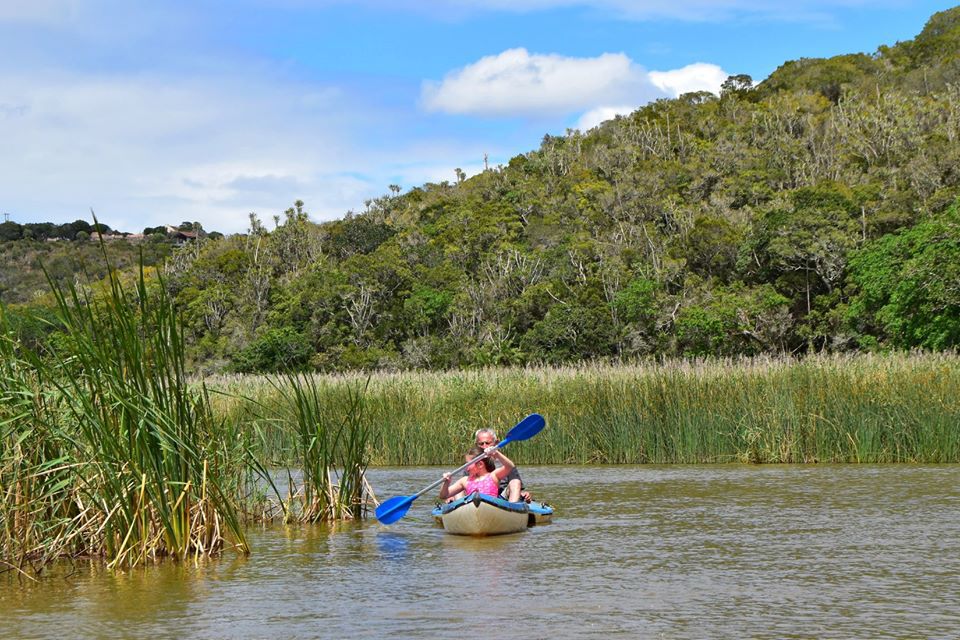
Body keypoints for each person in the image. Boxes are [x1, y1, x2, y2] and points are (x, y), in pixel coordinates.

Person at [439, 445, 516, 502]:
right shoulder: (465, 480)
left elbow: (510, 466)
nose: (466, 467)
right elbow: (443, 495)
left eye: (468, 464)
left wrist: (496, 454)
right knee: (458, 494)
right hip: (470, 511)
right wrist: (446, 482)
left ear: (480, 465)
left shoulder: (493, 476)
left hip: (491, 509)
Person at [475, 428, 531, 503]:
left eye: (487, 443)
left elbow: (515, 486)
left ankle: (512, 509)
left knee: (515, 482)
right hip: (478, 497)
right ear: (477, 445)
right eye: (481, 444)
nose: (484, 447)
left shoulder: (506, 464)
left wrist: (522, 494)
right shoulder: (472, 464)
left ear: (496, 443)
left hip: (502, 498)